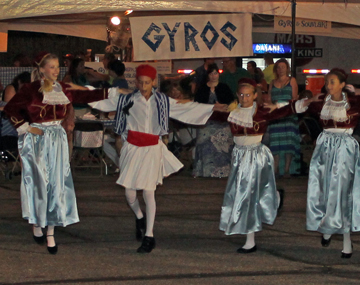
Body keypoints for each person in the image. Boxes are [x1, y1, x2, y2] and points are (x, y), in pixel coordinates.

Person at [88, 64, 226, 253]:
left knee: (148, 192)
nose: (144, 86)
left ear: (153, 82)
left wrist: (212, 107)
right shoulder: (127, 100)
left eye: (147, 82)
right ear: (136, 82)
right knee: (129, 193)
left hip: (152, 148)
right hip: (132, 148)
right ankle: (139, 216)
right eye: (141, 82)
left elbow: (187, 108)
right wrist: (79, 92)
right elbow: (102, 99)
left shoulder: (163, 101)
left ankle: (149, 235)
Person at [3, 53, 113, 254]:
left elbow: (87, 96)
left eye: (57, 67)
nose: (55, 71)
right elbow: (10, 109)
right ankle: (37, 222)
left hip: (57, 139)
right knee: (38, 182)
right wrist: (26, 127)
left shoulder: (64, 88)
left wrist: (113, 93)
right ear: (43, 69)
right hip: (36, 139)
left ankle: (51, 230)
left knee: (56, 182)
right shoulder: (30, 89)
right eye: (51, 67)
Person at [294, 70, 360, 258]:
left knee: (343, 192)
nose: (329, 85)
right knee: (325, 190)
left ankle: (346, 239)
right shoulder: (321, 103)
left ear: (342, 84)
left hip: (345, 149)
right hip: (324, 149)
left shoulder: (354, 103)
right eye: (327, 82)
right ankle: (327, 227)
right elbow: (294, 107)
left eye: (333, 82)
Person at [209, 78, 317, 253]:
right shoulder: (231, 112)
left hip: (256, 155)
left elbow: (286, 109)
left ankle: (250, 240)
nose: (244, 98)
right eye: (242, 95)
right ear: (237, 95)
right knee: (243, 192)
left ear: (254, 95)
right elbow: (204, 112)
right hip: (239, 156)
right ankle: (274, 198)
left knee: (249, 195)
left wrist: (306, 101)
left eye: (248, 95)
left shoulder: (262, 111)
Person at [193, 64, 236, 177]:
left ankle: (224, 171)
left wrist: (222, 106)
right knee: (204, 143)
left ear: (218, 74)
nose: (213, 76)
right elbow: (197, 104)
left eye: (215, 73)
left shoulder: (224, 87)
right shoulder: (202, 88)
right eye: (211, 73)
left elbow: (231, 102)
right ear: (208, 75)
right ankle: (205, 171)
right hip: (207, 121)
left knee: (223, 145)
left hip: (222, 121)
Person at [267, 59, 300, 178]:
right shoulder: (272, 82)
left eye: (283, 67)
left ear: (287, 68)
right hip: (276, 116)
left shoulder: (292, 80)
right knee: (275, 141)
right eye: (278, 67)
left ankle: (287, 169)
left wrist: (284, 105)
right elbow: (269, 98)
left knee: (288, 141)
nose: (280, 69)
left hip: (288, 115)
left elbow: (295, 98)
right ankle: (275, 168)